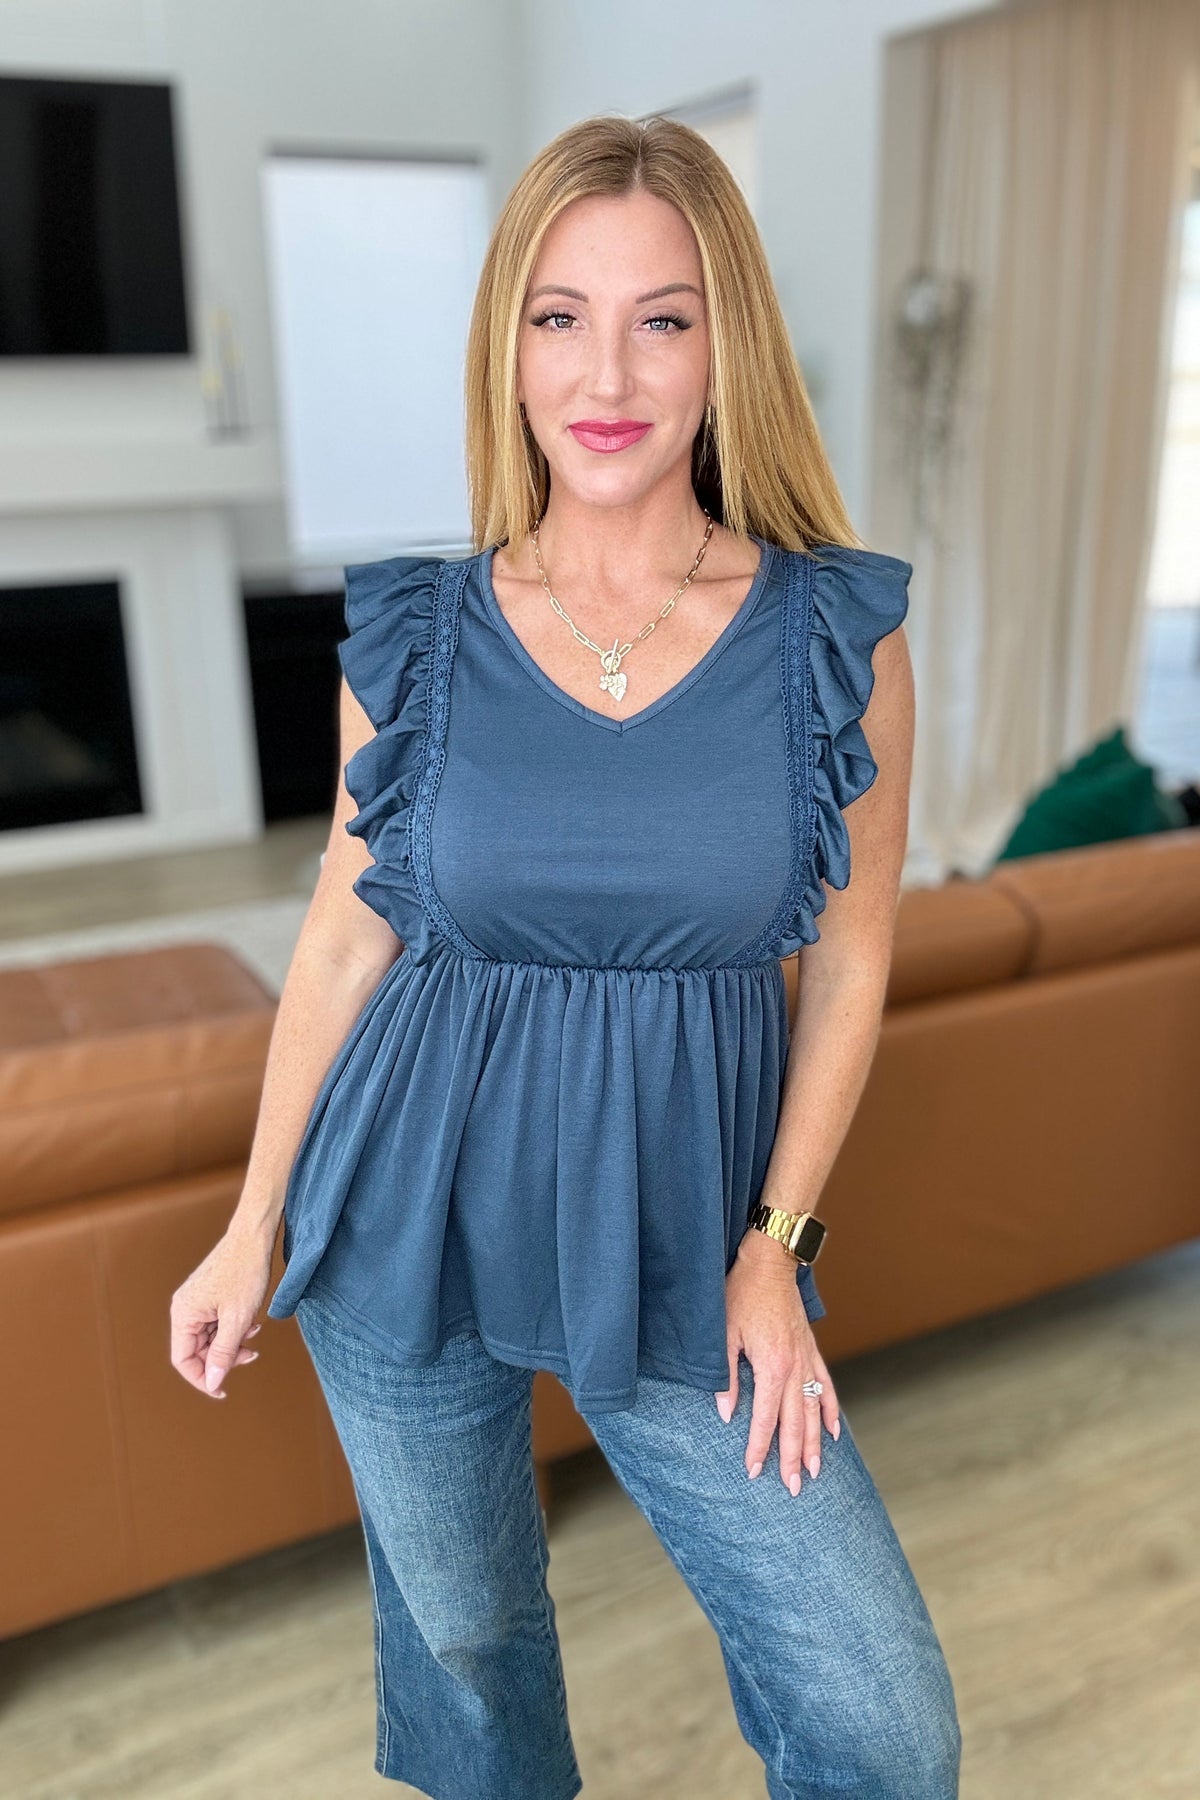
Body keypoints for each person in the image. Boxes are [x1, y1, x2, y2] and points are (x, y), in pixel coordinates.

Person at [171, 113, 962, 1799]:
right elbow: (345, 932)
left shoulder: (836, 636)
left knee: (882, 1718)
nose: (607, 372)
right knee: (470, 1661)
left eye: (662, 318)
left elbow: (854, 956)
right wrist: (250, 1224)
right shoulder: (418, 633)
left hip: (684, 1237)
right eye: (559, 317)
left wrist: (778, 1250)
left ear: (726, 349)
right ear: (508, 349)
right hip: (400, 1211)